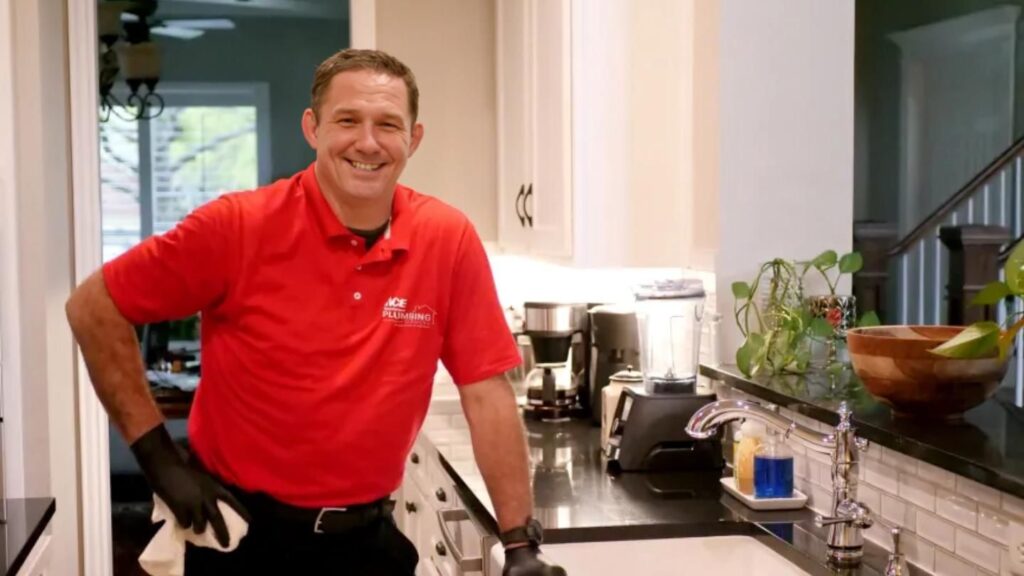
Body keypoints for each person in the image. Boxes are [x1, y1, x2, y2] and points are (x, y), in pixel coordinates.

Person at [66, 48, 566, 575]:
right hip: (239, 539)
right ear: (312, 128)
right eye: (347, 120)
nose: (367, 142)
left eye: (388, 125)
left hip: (367, 543)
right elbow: (93, 306)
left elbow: (485, 389)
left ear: (413, 139)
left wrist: (518, 544)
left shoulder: (446, 239)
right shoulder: (238, 227)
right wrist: (159, 460)